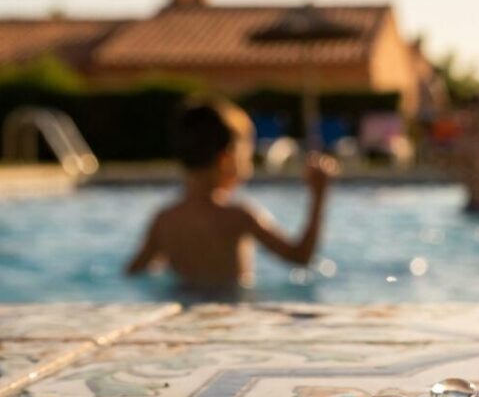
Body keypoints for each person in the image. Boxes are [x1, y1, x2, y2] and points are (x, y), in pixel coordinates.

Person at [125, 98, 334, 290]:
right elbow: (300, 256)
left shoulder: (164, 220)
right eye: (247, 154)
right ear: (227, 159)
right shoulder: (239, 216)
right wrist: (318, 196)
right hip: (232, 312)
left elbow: (133, 271)